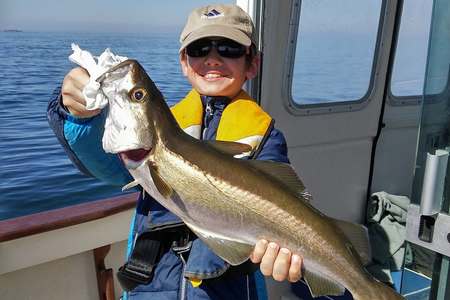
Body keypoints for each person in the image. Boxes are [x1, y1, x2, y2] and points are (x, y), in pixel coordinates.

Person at [48, 4, 302, 299]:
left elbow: (281, 190)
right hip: (150, 288)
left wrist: (281, 250)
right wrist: (79, 116)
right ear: (183, 62)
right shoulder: (152, 135)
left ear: (252, 63)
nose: (213, 59)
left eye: (229, 48)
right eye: (200, 49)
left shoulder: (265, 137)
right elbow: (101, 163)